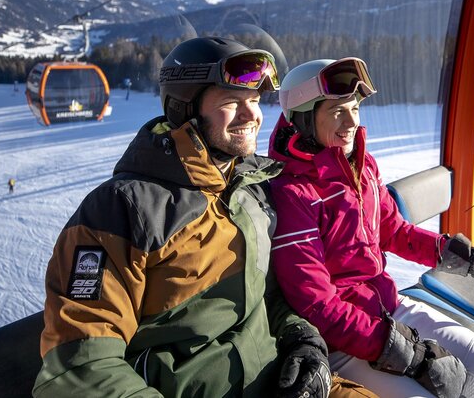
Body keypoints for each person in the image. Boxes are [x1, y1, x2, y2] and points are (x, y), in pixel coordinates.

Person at [35, 37, 374, 398]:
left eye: (255, 101)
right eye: (232, 102)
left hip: (278, 381)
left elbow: (269, 293)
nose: (252, 116)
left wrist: (301, 337)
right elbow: (82, 366)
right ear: (184, 108)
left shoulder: (251, 188)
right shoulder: (121, 210)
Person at [267, 57, 474, 398]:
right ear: (303, 119)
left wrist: (467, 258)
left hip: (391, 308)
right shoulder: (292, 193)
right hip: (342, 342)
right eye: (337, 112)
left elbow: (393, 231)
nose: (351, 122)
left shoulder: (361, 167)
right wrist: (407, 354)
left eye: (355, 109)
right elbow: (317, 304)